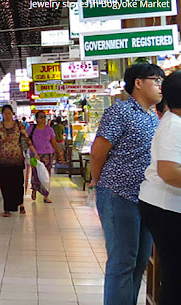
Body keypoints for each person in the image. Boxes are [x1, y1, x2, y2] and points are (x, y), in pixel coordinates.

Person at [89, 63, 163, 305]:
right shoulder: (120, 111)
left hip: (145, 199)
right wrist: (100, 183)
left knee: (139, 261)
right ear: (138, 83)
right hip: (119, 195)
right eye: (156, 80)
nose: (160, 86)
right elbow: (98, 152)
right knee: (122, 261)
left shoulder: (152, 116)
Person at [138, 71, 181, 305]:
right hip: (165, 206)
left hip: (164, 204)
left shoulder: (173, 121)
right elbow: (169, 172)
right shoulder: (174, 126)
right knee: (176, 275)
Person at [0, 105, 38, 217]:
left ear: (12, 114)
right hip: (3, 160)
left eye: (9, 113)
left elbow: (27, 139)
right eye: (5, 113)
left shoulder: (18, 125)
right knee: (5, 184)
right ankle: (7, 208)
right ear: (2, 114)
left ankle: (20, 204)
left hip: (17, 159)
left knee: (18, 183)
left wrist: (34, 152)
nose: (7, 116)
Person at [27, 111, 64, 203]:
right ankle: (34, 190)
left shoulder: (49, 129)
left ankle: (46, 195)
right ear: (37, 119)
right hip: (35, 154)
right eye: (41, 117)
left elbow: (53, 142)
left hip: (48, 154)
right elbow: (26, 139)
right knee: (35, 173)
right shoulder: (32, 128)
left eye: (44, 117)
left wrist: (59, 152)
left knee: (46, 174)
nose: (43, 119)